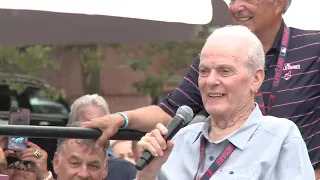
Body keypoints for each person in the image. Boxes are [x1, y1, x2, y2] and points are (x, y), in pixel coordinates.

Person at [81, 0, 320, 177]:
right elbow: (170, 110)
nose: (236, 7)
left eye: (226, 71)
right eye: (205, 71)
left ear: (279, 2)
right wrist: (121, 120)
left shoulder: (313, 48)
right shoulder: (214, 56)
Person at [136, 25, 314, 180]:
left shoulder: (281, 138)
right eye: (204, 71)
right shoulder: (176, 142)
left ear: (256, 79)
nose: (211, 81)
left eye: (225, 71)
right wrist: (147, 175)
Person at [69, 94, 137, 180]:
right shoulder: (60, 164)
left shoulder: (125, 170)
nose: (84, 174)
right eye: (88, 126)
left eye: (101, 125)